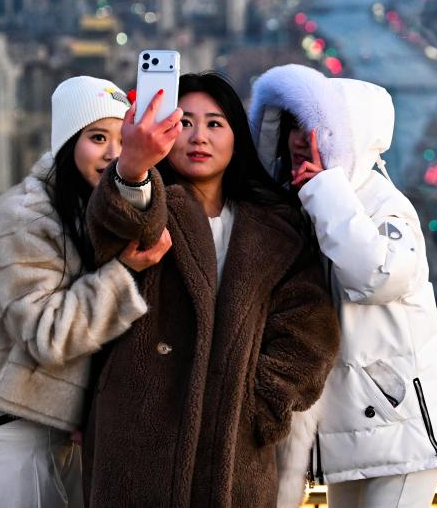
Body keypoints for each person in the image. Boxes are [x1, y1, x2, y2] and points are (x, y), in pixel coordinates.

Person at [81, 72, 339, 508]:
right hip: (137, 441)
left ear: (238, 138)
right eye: (184, 123)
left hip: (236, 451)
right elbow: (121, 221)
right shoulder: (149, 205)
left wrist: (260, 403)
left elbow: (309, 330)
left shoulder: (276, 228)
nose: (199, 136)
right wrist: (134, 168)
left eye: (215, 123)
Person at [0, 75, 172, 508]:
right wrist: (124, 272)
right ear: (68, 143)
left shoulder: (80, 212)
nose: (113, 152)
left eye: (122, 138)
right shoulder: (24, 220)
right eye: (97, 137)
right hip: (4, 438)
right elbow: (49, 335)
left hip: (59, 437)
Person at [249, 64, 437, 508]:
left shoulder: (384, 206)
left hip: (399, 424)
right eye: (294, 126)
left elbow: (376, 277)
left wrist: (324, 190)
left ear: (349, 136)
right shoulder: (301, 203)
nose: (300, 139)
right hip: (346, 427)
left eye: (318, 128)